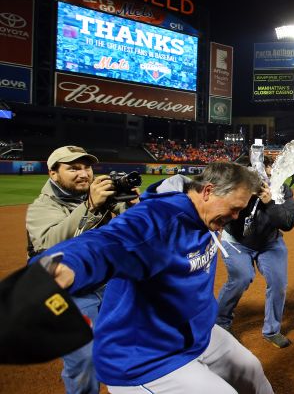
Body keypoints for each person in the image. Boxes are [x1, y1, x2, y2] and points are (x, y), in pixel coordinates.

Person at [35, 162, 274, 394]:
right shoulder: (159, 219)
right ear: (208, 192)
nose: (235, 216)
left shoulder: (203, 212)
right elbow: (109, 242)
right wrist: (63, 267)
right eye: (234, 208)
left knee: (251, 371)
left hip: (193, 331)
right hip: (143, 356)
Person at [26, 145, 133, 394]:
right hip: (66, 291)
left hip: (105, 282)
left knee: (134, 339)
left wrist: (132, 204)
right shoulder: (41, 209)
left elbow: (130, 233)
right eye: (73, 168)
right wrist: (91, 207)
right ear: (53, 173)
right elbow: (56, 247)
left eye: (86, 167)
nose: (83, 174)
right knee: (85, 357)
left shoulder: (102, 197)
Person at [217, 156, 294, 348]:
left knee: (278, 283)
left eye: (265, 169)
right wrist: (244, 196)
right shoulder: (236, 188)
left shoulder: (282, 191)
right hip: (237, 242)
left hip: (270, 243)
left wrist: (270, 202)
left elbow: (288, 223)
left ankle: (272, 331)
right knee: (241, 277)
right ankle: (220, 323)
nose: (260, 175)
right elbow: (222, 215)